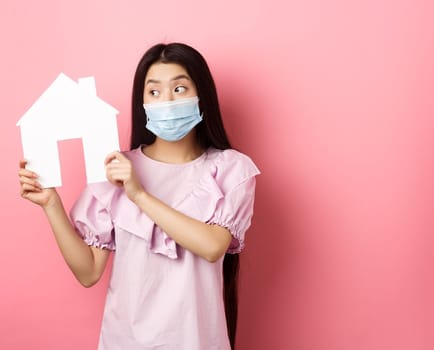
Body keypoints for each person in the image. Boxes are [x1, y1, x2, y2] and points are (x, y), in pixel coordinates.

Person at [18, 42, 259, 349]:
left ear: (202, 97)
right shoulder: (115, 168)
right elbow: (89, 271)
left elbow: (212, 246)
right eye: (154, 92)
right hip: (125, 341)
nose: (167, 101)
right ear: (142, 101)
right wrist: (51, 204)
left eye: (180, 89)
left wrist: (139, 195)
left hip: (197, 340)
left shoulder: (230, 169)